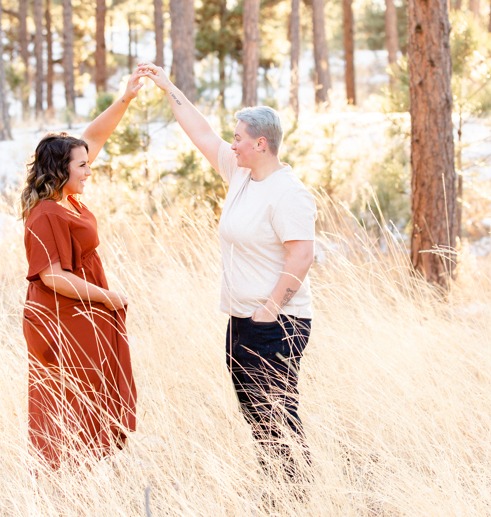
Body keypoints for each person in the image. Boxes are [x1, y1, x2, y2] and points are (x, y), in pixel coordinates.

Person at [141, 63, 316, 483]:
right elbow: (200, 132)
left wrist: (269, 311)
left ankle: (296, 495)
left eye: (238, 138)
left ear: (260, 142)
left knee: (276, 411)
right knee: (256, 412)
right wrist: (168, 86)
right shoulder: (241, 174)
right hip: (241, 319)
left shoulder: (289, 192)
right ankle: (279, 492)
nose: (231, 144)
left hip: (277, 321)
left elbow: (302, 256)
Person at [21, 68, 144, 468]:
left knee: (91, 388)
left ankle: (87, 472)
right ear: (62, 170)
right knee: (71, 394)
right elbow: (52, 276)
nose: (90, 169)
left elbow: (92, 139)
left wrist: (124, 99)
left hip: (81, 307)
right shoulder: (44, 214)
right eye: (83, 166)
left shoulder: (66, 198)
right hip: (60, 312)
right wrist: (107, 297)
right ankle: (66, 473)